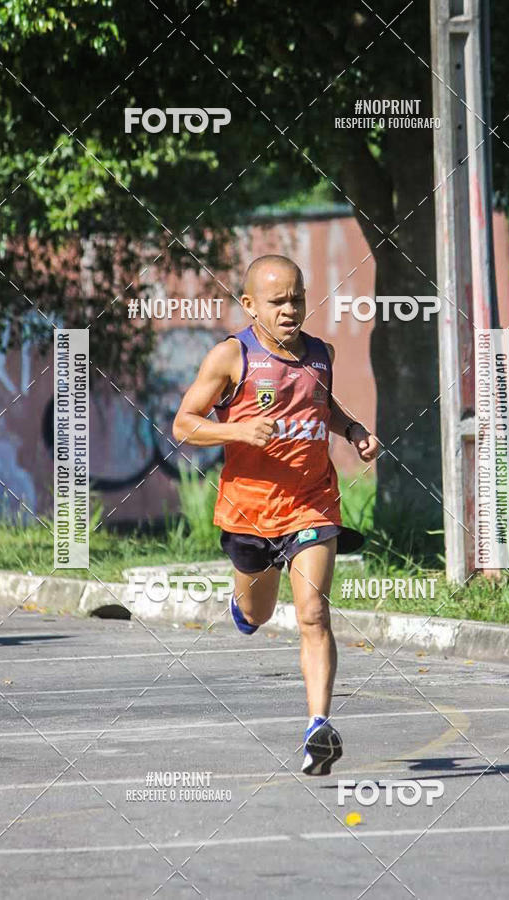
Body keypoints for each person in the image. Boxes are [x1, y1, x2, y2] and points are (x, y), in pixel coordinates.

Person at [173, 254, 378, 775]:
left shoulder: (320, 354)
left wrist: (352, 430)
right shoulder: (229, 357)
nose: (291, 310)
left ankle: (317, 727)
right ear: (249, 305)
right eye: (278, 301)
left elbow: (322, 406)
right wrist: (236, 431)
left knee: (313, 613)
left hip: (312, 501)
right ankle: (245, 607)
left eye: (298, 299)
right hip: (250, 512)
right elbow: (184, 425)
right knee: (258, 614)